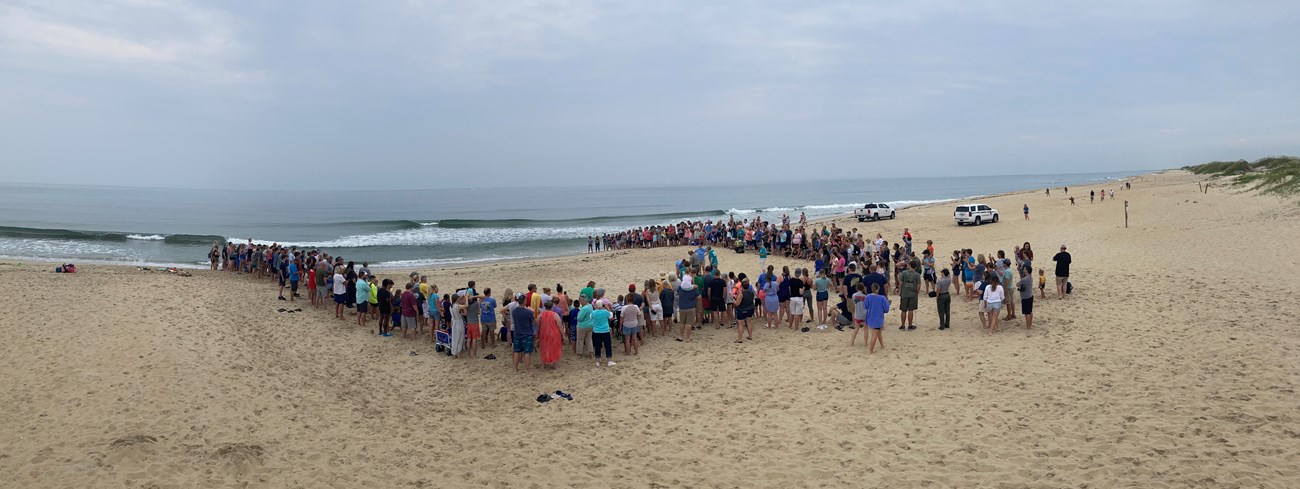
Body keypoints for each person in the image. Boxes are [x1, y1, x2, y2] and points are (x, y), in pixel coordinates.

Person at [510, 298, 536, 372]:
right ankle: (527, 369)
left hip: (517, 333)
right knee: (527, 352)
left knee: (517, 352)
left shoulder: (514, 311)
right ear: (524, 301)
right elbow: (533, 321)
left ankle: (515, 368)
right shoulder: (528, 312)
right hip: (527, 334)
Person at [537, 300, 564, 368]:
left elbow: (537, 324)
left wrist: (538, 333)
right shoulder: (555, 315)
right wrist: (562, 334)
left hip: (544, 333)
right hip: (554, 334)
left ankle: (543, 364)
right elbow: (560, 326)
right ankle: (556, 364)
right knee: (555, 348)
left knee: (544, 348)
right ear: (552, 307)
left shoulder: (541, 315)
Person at [864, 283, 889, 354]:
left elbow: (865, 306)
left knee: (878, 331)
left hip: (870, 317)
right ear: (878, 289)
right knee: (875, 332)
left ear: (872, 289)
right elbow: (886, 309)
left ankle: (882, 345)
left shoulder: (868, 297)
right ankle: (871, 350)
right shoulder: (882, 298)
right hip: (878, 318)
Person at [591, 299, 615, 367]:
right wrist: (608, 309)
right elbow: (611, 316)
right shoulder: (605, 312)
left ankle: (597, 361)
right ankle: (609, 360)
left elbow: (590, 317)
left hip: (596, 331)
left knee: (597, 346)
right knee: (607, 345)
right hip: (605, 330)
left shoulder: (593, 312)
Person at [897, 262, 920, 330]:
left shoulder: (904, 273)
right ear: (915, 267)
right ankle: (910, 325)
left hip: (904, 293)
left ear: (909, 265)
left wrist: (899, 290)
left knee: (903, 310)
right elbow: (918, 285)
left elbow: (900, 283)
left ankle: (903, 325)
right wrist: (917, 292)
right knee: (911, 310)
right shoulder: (917, 275)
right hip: (913, 294)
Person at [735, 278, 755, 342]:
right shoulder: (751, 292)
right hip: (750, 309)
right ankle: (750, 336)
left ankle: (740, 338)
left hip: (742, 310)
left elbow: (737, 304)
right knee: (749, 322)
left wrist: (733, 300)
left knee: (740, 324)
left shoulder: (741, 294)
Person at [450, 292, 467, 359]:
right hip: (459, 322)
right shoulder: (457, 306)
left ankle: (454, 353)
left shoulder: (451, 306)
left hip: (454, 322)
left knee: (455, 338)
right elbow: (466, 305)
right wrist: (466, 298)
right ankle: (459, 354)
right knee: (460, 338)